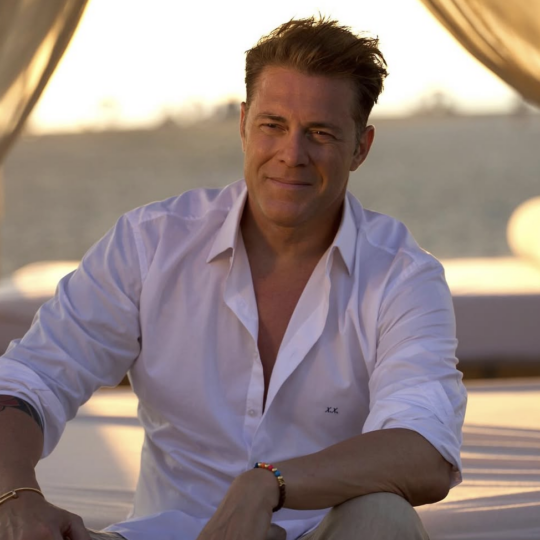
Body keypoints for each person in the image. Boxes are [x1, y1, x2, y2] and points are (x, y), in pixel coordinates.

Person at [0, 16, 467, 540]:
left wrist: (267, 484)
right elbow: (31, 378)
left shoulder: (402, 276)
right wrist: (15, 496)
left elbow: (425, 448)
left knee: (385, 518)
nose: (292, 154)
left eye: (320, 133)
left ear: (361, 146)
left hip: (322, 532)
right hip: (165, 535)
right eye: (273, 125)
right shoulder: (151, 243)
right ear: (244, 124)